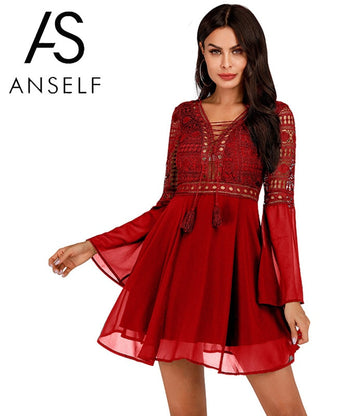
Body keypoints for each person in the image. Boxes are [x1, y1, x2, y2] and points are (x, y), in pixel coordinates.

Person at [48, 4, 310, 415]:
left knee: (287, 410)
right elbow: (167, 205)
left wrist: (291, 296)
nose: (226, 63)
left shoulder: (276, 117)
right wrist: (93, 246)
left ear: (253, 54)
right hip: (178, 274)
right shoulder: (185, 116)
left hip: (243, 276)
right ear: (202, 53)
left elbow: (280, 209)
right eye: (215, 51)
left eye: (237, 51)